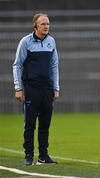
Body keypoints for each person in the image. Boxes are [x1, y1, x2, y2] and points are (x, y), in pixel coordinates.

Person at [13, 13, 60, 165]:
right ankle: (28, 156)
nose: (46, 26)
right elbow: (17, 65)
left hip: (47, 89)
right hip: (31, 88)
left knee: (45, 124)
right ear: (35, 26)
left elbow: (54, 66)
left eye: (48, 24)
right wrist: (18, 88)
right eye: (43, 24)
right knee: (30, 124)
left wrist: (56, 87)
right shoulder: (25, 42)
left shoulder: (51, 41)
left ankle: (43, 156)